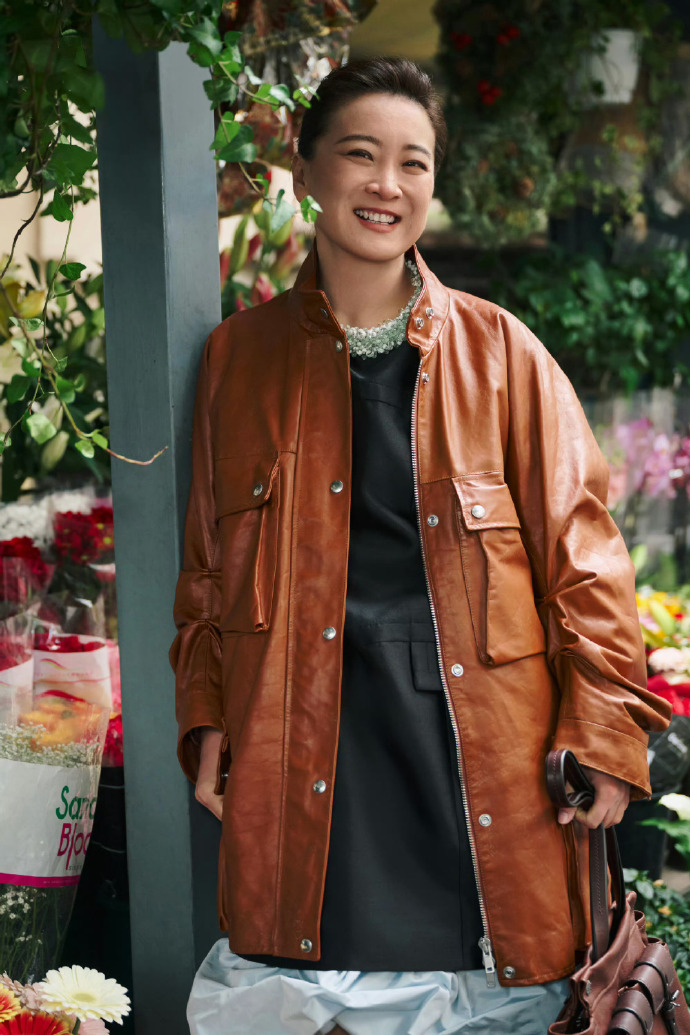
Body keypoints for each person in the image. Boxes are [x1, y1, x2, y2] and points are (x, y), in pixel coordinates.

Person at [169, 56, 672, 1035]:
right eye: (361, 154)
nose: (387, 185)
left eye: (414, 163)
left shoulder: (503, 352)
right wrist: (208, 712)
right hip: (306, 739)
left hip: (475, 745)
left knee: (491, 984)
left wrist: (607, 732)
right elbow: (206, 573)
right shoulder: (239, 358)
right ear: (306, 169)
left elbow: (588, 564)